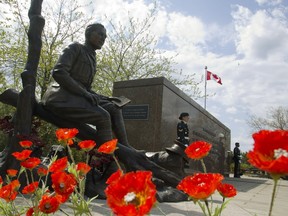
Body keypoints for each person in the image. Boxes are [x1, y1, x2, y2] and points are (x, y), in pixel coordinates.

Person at [42, 23, 130, 148]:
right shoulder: (75, 48)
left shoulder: (92, 57)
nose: (103, 39)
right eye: (100, 34)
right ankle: (108, 162)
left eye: (105, 37)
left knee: (114, 108)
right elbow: (59, 72)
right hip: (60, 96)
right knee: (103, 116)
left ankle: (126, 147)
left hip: (76, 96)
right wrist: (85, 93)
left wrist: (103, 97)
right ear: (88, 34)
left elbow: (84, 87)